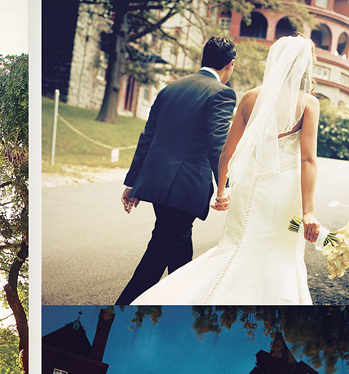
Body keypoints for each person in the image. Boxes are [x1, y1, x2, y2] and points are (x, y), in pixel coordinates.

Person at [131, 34, 322, 305]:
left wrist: (223, 190)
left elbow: (226, 152)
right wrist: (309, 211)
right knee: (278, 251)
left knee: (234, 246)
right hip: (283, 191)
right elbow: (307, 160)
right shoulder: (308, 103)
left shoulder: (249, 97)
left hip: (247, 188)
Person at [114, 37, 237, 305]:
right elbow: (218, 144)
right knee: (160, 251)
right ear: (230, 65)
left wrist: (133, 183)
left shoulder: (170, 89)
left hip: (158, 185)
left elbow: (147, 136)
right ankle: (119, 310)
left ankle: (181, 307)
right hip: (185, 189)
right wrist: (223, 186)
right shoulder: (221, 93)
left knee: (177, 250)